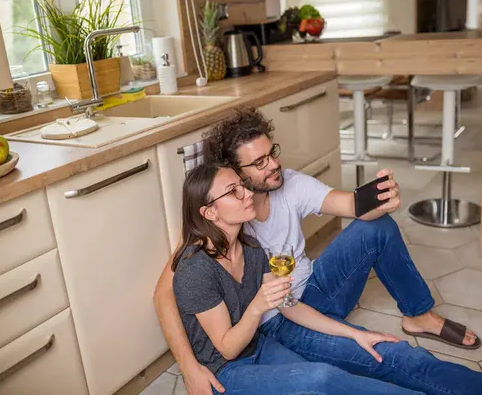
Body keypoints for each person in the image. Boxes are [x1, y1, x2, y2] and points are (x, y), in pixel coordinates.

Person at [154, 108, 482, 395]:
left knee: (378, 230)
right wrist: (188, 365)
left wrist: (381, 197)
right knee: (387, 362)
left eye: (273, 153)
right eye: (258, 163)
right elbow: (167, 293)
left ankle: (420, 315)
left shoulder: (275, 206)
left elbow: (353, 205)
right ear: (235, 175)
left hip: (307, 297)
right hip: (279, 321)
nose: (274, 165)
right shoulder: (218, 231)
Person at [172, 162, 425, 395]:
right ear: (210, 213)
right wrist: (257, 306)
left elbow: (289, 306)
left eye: (242, 185)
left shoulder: (251, 248)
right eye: (233, 191)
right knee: (319, 378)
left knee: (329, 377)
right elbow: (227, 349)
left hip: (258, 346)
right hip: (224, 372)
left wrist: (353, 334)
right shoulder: (196, 270)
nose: (248, 193)